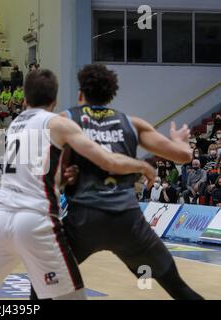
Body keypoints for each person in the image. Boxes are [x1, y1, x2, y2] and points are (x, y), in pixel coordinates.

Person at [0, 69, 156, 300]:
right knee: (74, 297)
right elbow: (107, 159)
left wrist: (62, 177)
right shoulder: (57, 123)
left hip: (0, 219)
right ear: (54, 101)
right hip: (34, 219)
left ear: (24, 99)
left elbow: (37, 173)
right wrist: (143, 166)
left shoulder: (15, 124)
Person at [31, 64, 202, 300]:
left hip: (83, 222)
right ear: (111, 95)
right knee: (178, 287)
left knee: (41, 285)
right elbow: (184, 156)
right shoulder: (132, 123)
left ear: (81, 94)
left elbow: (49, 175)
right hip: (128, 221)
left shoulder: (67, 119)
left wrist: (67, 177)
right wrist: (178, 140)